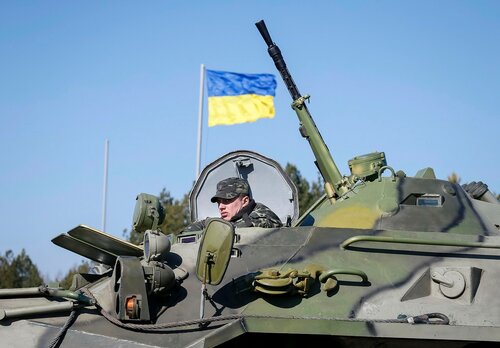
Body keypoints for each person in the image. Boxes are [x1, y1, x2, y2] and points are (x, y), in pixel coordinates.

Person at [183, 177, 282, 232]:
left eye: (226, 201)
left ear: (245, 201)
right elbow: (198, 226)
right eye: (219, 202)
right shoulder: (232, 219)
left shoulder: (262, 217)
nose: (221, 206)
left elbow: (230, 231)